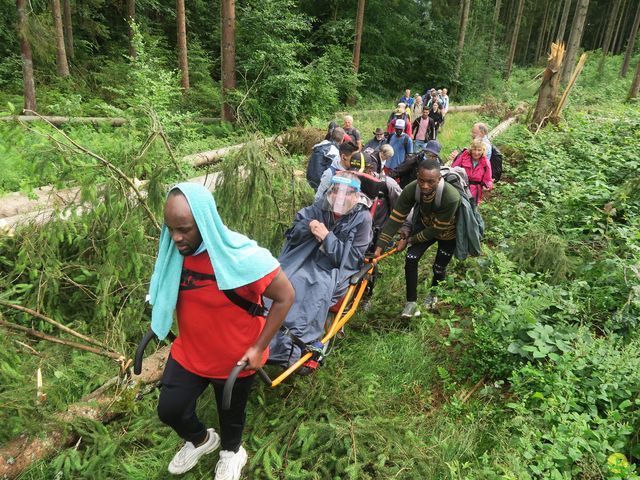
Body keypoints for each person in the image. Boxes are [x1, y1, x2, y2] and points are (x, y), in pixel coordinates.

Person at [149, 183, 295, 479]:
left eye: (184, 229)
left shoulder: (240, 256)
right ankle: (202, 440)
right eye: (171, 228)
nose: (175, 237)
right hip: (190, 353)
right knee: (170, 410)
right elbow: (164, 289)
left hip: (235, 359)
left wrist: (258, 348)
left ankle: (232, 451)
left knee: (231, 418)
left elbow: (286, 296)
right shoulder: (175, 254)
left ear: (204, 221)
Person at [269, 172, 373, 369]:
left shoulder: (362, 219)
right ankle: (261, 334)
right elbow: (292, 234)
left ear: (356, 195)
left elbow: (351, 260)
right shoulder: (319, 207)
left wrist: (328, 238)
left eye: (347, 193)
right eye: (336, 191)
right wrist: (308, 226)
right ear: (330, 191)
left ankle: (291, 346)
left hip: (331, 269)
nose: (340, 197)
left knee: (309, 289)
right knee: (279, 280)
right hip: (303, 259)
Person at [374, 159, 461, 317]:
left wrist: (409, 240)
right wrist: (379, 246)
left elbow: (436, 229)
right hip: (426, 224)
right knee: (411, 257)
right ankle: (411, 303)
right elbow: (396, 218)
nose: (425, 186)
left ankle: (433, 294)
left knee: (439, 267)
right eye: (421, 180)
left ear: (439, 179)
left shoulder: (451, 196)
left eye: (431, 182)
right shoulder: (412, 189)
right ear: (417, 176)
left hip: (448, 232)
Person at [451, 138, 493, 205]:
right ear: (471, 149)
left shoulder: (485, 162)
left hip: (475, 193)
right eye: (474, 149)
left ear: (483, 151)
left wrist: (487, 186)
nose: (476, 153)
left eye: (479, 150)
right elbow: (453, 170)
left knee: (471, 211)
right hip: (461, 188)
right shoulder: (464, 157)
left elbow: (488, 180)